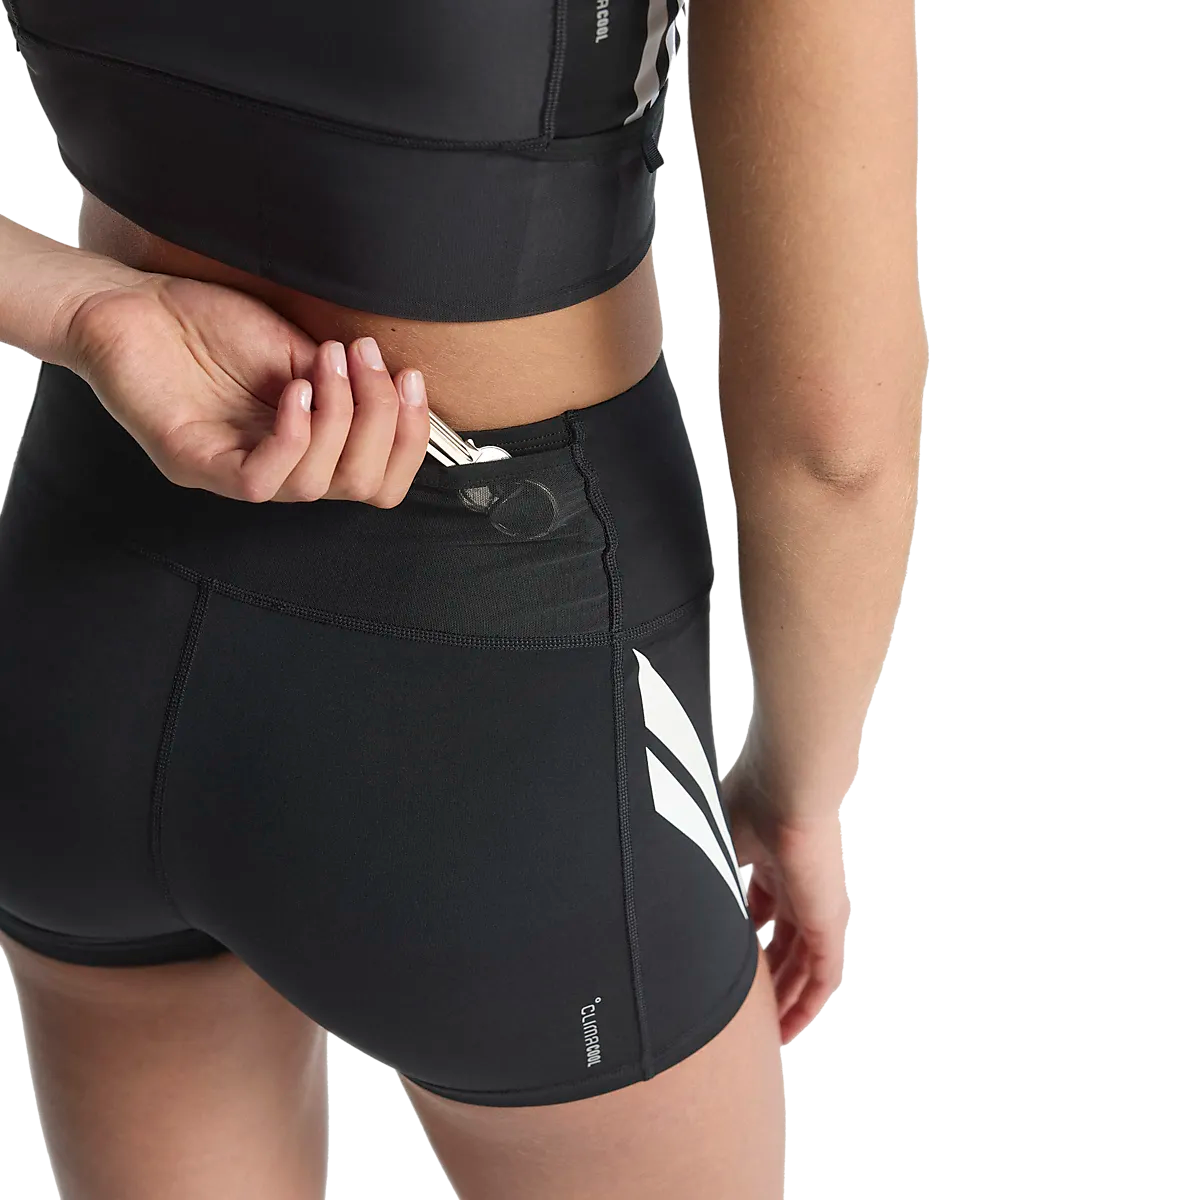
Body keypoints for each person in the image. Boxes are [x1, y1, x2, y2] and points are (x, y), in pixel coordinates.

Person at [0, 1, 924, 1196]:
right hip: (511, 698)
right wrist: (800, 785)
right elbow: (832, 443)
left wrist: (89, 312)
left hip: (84, 628)